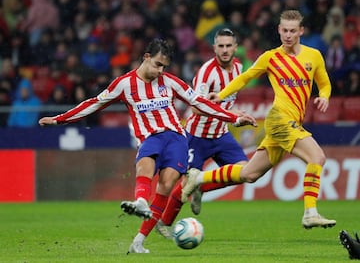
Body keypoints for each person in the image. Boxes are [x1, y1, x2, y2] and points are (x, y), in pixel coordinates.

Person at [38, 39, 257, 253]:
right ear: (146, 57)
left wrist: (233, 118)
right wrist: (60, 119)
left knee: (167, 183)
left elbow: (200, 103)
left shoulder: (171, 82)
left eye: (164, 66)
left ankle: (138, 242)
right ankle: (141, 201)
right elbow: (94, 103)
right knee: (145, 166)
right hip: (150, 138)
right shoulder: (124, 84)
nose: (161, 71)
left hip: (176, 138)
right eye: (157, 65)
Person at [181, 10, 337, 230]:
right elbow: (246, 76)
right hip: (279, 119)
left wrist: (324, 96)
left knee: (249, 174)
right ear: (279, 30)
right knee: (317, 157)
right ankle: (310, 213)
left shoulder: (314, 56)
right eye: (284, 30)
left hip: (293, 122)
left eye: (293, 31)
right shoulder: (270, 57)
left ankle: (198, 178)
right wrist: (222, 94)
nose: (288, 35)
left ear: (301, 31)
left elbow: (324, 83)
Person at [155, 28, 251, 239]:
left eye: (229, 46)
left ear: (236, 47)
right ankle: (163, 223)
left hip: (221, 135)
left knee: (245, 172)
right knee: (183, 187)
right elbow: (196, 107)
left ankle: (202, 186)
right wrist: (230, 114)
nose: (225, 50)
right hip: (197, 136)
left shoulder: (239, 68)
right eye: (221, 46)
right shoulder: (207, 73)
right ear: (214, 47)